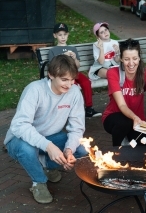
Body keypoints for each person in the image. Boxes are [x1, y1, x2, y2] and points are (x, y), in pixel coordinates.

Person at [4, 55, 88, 204]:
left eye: (72, 79)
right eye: (64, 79)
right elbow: (20, 125)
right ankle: (39, 182)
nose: (69, 85)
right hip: (19, 139)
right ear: (51, 75)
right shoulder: (34, 89)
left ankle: (47, 164)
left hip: (51, 137)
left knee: (80, 150)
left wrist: (69, 149)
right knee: (27, 150)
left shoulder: (74, 92)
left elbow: (77, 128)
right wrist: (48, 147)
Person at [102, 38, 146, 147]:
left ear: (139, 58)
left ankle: (129, 141)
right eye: (126, 59)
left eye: (135, 58)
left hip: (138, 121)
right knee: (124, 123)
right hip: (114, 118)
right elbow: (121, 105)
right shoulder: (113, 73)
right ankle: (117, 153)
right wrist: (134, 118)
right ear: (121, 58)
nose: (131, 63)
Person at [48, 23, 101, 118]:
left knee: (86, 82)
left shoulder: (72, 49)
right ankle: (72, 110)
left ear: (68, 35)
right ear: (55, 36)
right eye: (60, 35)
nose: (63, 37)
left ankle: (89, 108)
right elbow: (52, 66)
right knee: (73, 86)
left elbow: (77, 65)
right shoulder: (53, 50)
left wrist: (75, 58)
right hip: (62, 75)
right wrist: (63, 56)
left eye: (65, 34)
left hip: (74, 72)